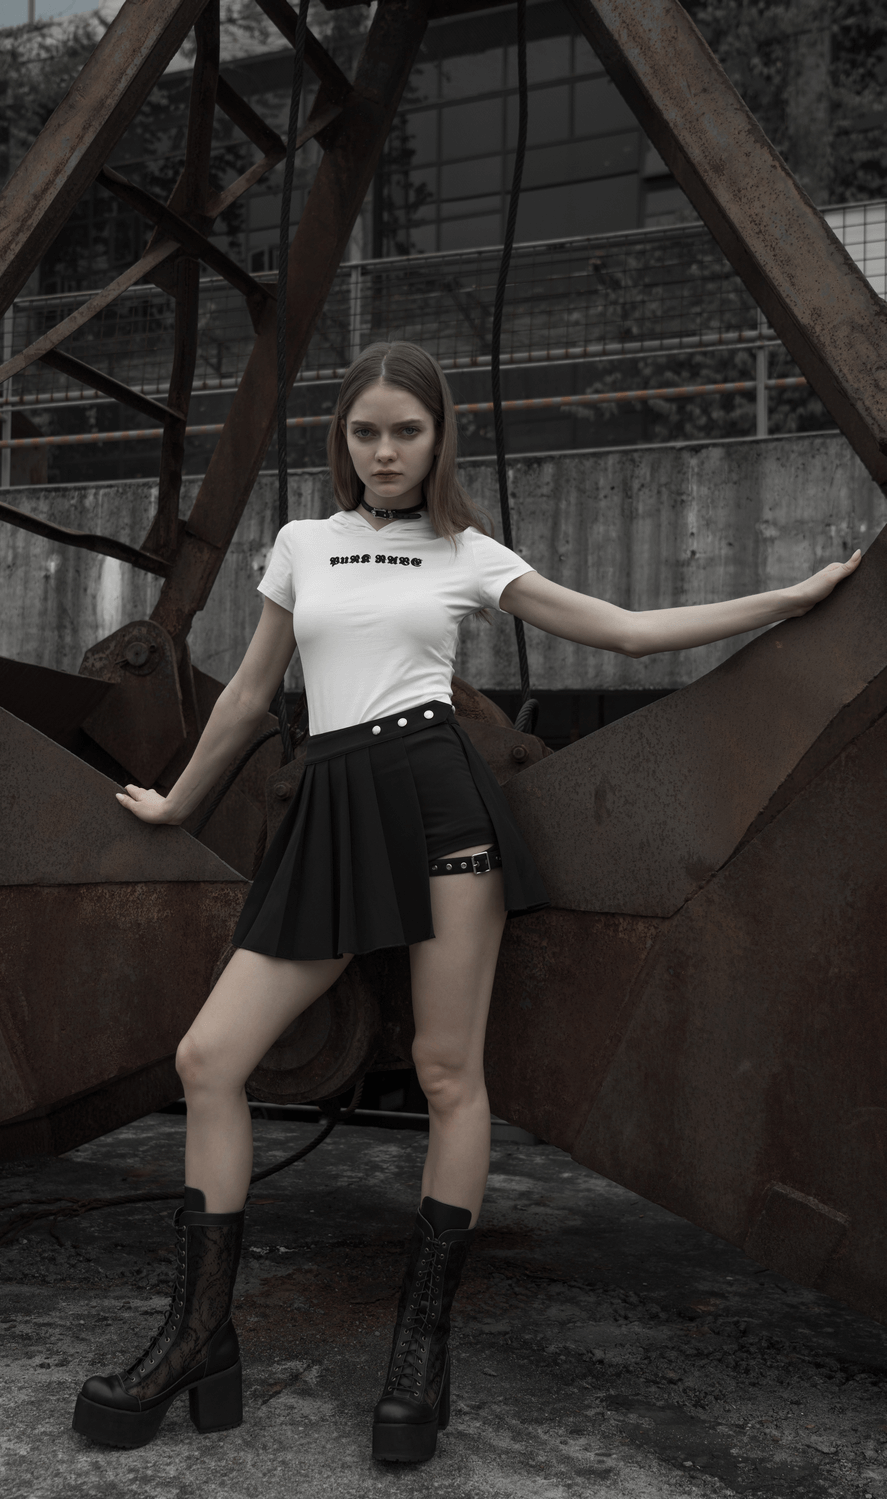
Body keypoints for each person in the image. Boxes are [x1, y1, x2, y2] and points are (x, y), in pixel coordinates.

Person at [71, 340, 860, 1461]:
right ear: (341, 440)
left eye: (406, 430)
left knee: (447, 1072)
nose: (384, 450)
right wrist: (178, 802)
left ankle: (420, 1353)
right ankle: (198, 1332)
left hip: (442, 804)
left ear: (439, 436)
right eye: (365, 431)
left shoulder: (466, 552)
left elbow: (624, 628)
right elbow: (248, 694)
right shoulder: (302, 543)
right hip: (332, 807)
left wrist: (792, 596)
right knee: (210, 1057)